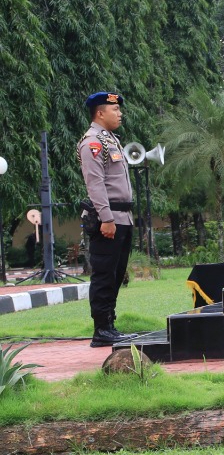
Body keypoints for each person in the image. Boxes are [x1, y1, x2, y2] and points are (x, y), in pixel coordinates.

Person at [78, 92, 136, 347]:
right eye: (114, 109)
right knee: (104, 275)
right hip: (108, 219)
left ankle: (110, 325)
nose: (119, 113)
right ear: (100, 113)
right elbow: (95, 183)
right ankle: (101, 329)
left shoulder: (112, 140)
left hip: (123, 217)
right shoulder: (93, 142)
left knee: (116, 274)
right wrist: (107, 218)